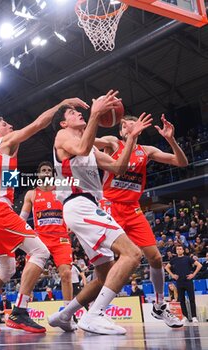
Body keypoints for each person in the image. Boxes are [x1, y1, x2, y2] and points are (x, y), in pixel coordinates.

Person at [0, 97, 88, 333]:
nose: (10, 126)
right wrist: (62, 104)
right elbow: (39, 124)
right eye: (6, 124)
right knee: (40, 251)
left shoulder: (0, 155)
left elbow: (7, 184)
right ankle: (20, 312)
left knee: (7, 268)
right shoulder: (4, 140)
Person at [48, 90, 152, 335]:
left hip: (86, 207)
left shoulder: (90, 146)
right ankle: (94, 315)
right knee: (132, 254)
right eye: (73, 113)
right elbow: (82, 149)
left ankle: (65, 315)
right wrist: (95, 114)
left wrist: (132, 140)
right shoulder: (63, 135)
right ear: (64, 122)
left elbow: (119, 167)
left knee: (104, 275)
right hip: (79, 204)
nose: (80, 114)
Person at [98, 114, 188, 328]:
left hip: (133, 209)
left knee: (156, 258)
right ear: (121, 132)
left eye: (130, 121)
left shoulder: (146, 151)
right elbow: (85, 143)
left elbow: (182, 162)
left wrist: (170, 139)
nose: (127, 124)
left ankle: (159, 305)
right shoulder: (113, 142)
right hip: (110, 206)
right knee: (106, 262)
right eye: (124, 124)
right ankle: (97, 309)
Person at [20, 161, 74, 316]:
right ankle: (21, 309)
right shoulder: (31, 194)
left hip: (60, 239)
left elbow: (72, 207)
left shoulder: (62, 190)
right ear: (38, 174)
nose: (46, 172)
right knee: (29, 275)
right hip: (40, 240)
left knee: (66, 274)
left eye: (49, 170)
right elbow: (22, 218)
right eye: (43, 170)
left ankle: (68, 313)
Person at [165, 245, 202, 323]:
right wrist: (172, 275)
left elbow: (199, 265)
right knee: (181, 300)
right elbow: (166, 267)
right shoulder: (174, 260)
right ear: (176, 251)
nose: (179, 250)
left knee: (192, 299)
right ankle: (185, 316)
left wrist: (193, 274)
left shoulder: (188, 258)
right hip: (179, 282)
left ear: (183, 250)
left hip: (188, 281)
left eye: (180, 249)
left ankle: (194, 316)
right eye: (177, 249)